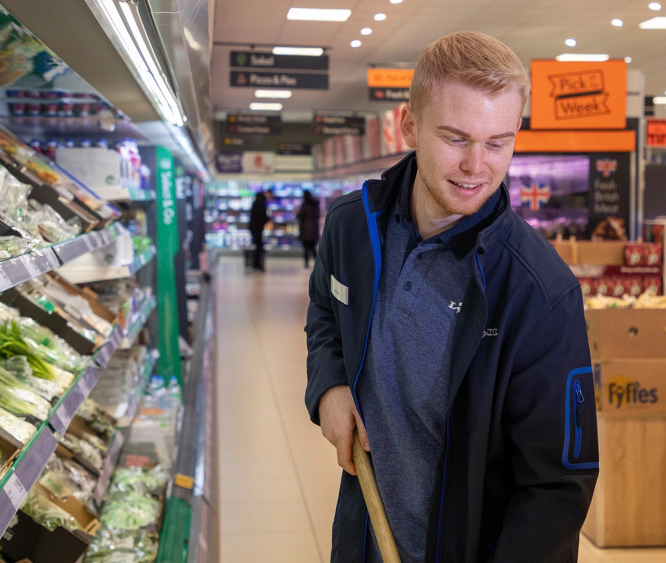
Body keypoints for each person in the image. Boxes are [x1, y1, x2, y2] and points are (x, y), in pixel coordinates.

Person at [304, 31, 598, 562]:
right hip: (364, 535)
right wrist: (330, 386)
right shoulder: (352, 228)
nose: (476, 166)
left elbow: (557, 486)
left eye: (498, 142)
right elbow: (326, 310)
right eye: (456, 138)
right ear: (409, 126)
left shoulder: (539, 292)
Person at [298, 189, 321, 268]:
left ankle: (306, 264)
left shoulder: (305, 205)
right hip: (314, 229)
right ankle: (317, 264)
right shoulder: (315, 204)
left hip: (306, 229)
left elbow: (301, 216)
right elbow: (317, 216)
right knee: (313, 248)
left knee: (306, 248)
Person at [248, 189, 270, 271]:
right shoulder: (261, 204)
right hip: (258, 228)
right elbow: (262, 216)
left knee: (257, 245)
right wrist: (268, 219)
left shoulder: (255, 203)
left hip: (253, 228)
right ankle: (257, 264)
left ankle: (255, 263)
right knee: (259, 246)